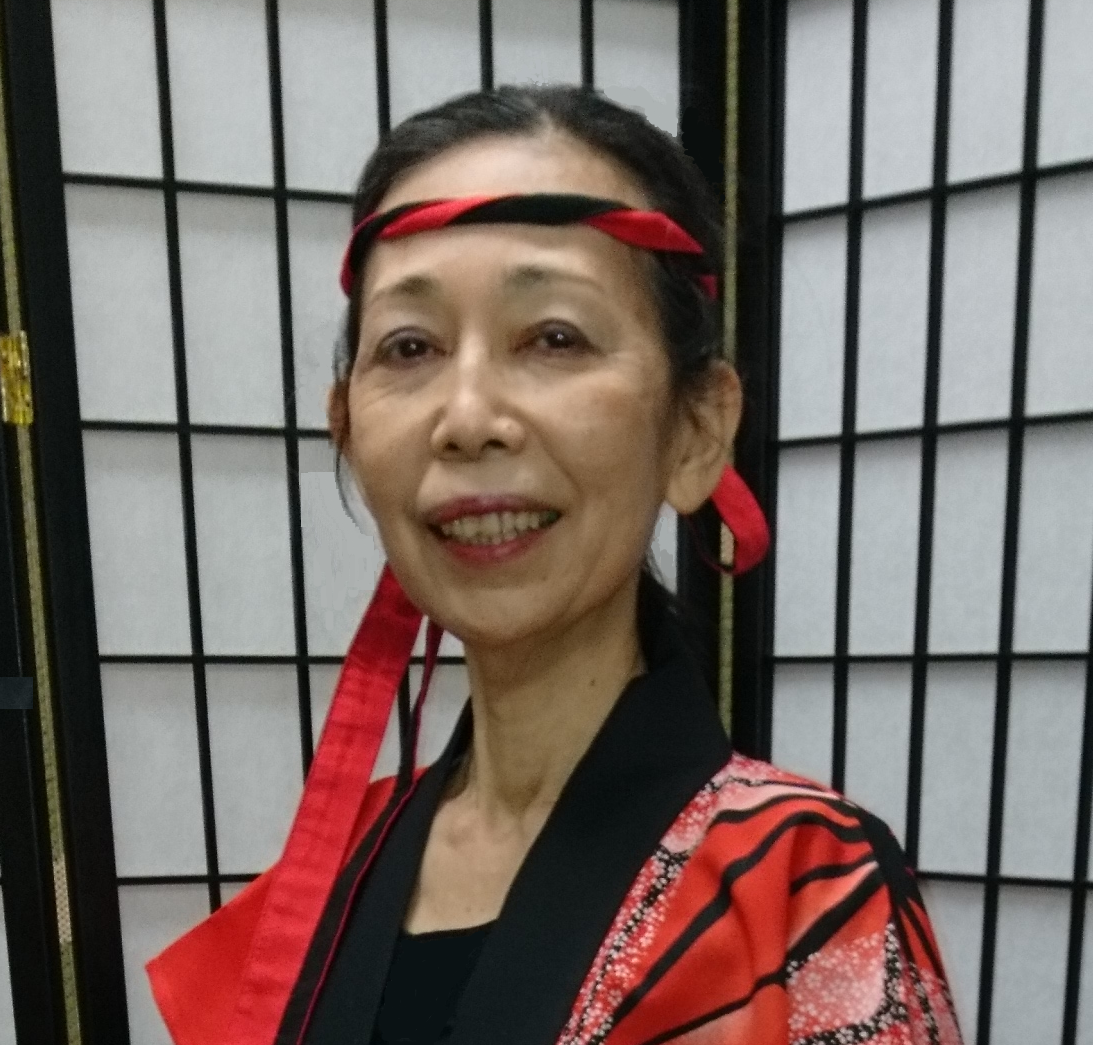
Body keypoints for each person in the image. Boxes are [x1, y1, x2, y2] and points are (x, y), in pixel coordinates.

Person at [147, 84, 963, 1045]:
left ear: (698, 427)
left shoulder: (804, 886)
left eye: (553, 337)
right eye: (409, 346)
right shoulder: (345, 864)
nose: (467, 418)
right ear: (346, 425)